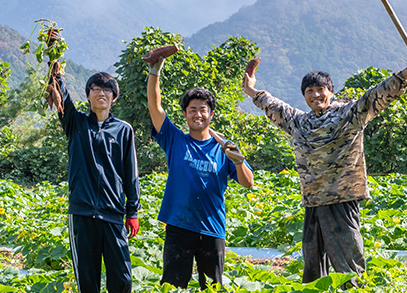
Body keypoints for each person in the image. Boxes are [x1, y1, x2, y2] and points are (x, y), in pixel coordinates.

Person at [242, 50, 407, 288]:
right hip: (313, 201)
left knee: (348, 267)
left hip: (342, 198)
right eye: (310, 91)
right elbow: (275, 107)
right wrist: (251, 91)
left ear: (331, 92)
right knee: (312, 268)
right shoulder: (299, 122)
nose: (316, 94)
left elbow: (376, 96)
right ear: (304, 96)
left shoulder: (348, 114)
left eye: (321, 90)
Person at [146, 55, 255, 290]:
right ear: (185, 114)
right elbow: (155, 107)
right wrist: (155, 71)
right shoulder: (175, 140)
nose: (198, 114)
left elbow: (248, 183)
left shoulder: (225, 147)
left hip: (212, 228)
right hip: (179, 226)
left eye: (202, 110)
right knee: (173, 287)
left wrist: (238, 161)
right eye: (192, 109)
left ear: (211, 114)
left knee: (213, 288)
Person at [50, 64, 141, 293]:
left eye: (107, 90)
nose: (102, 93)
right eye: (96, 89)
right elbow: (60, 94)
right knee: (87, 280)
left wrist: (132, 211)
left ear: (114, 97)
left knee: (122, 278)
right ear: (88, 95)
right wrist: (53, 57)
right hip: (82, 212)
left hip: (112, 212)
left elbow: (131, 173)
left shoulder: (123, 130)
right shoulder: (75, 123)